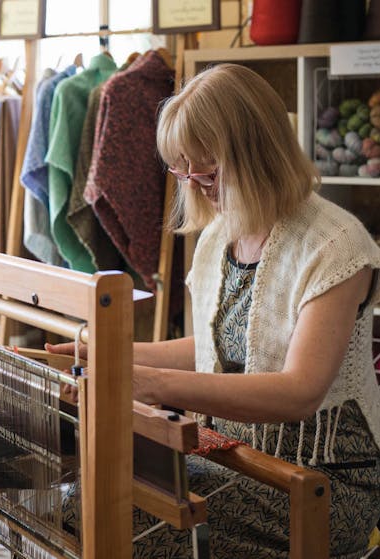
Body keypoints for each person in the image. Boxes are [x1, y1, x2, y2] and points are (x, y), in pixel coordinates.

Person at [48, 63, 380, 558]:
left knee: (101, 510)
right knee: (76, 492)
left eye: (206, 169)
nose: (194, 184)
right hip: (235, 457)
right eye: (182, 170)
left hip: (320, 481)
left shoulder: (335, 244)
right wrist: (108, 352)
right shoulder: (220, 237)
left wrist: (148, 383)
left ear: (256, 153)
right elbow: (212, 349)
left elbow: (299, 392)